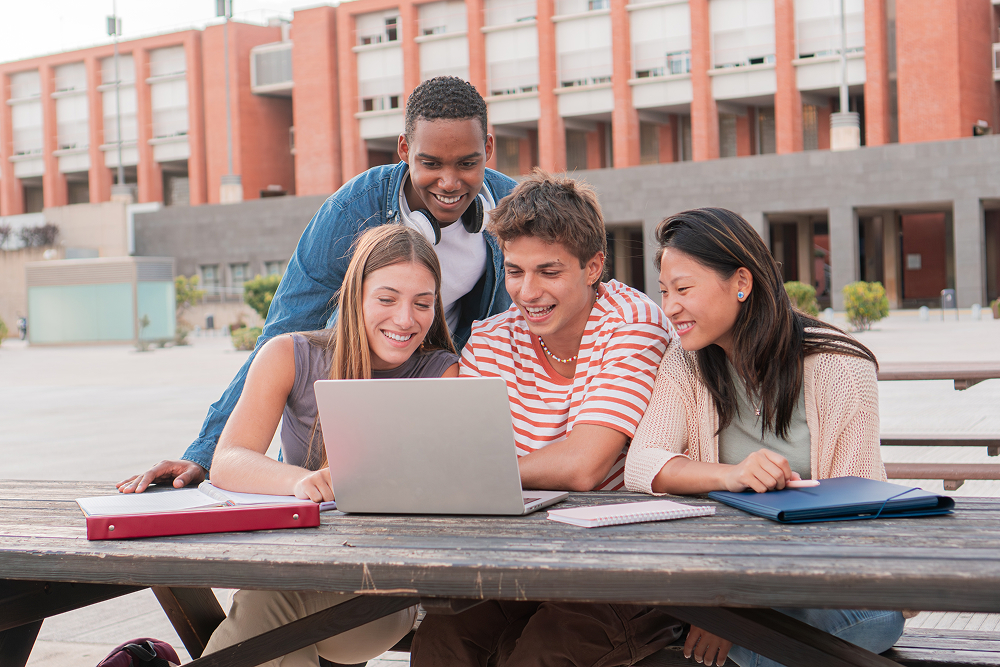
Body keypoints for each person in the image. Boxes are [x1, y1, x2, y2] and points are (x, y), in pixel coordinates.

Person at [118, 75, 516, 494]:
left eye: (467, 164)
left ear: (488, 149)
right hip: (344, 390)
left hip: (436, 382)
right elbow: (284, 328)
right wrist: (204, 453)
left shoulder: (511, 208)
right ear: (404, 150)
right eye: (431, 163)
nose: (450, 182)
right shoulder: (352, 210)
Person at [411, 170, 682, 667]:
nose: (528, 292)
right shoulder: (493, 338)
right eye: (515, 271)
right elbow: (461, 450)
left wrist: (478, 473)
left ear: (594, 265)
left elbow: (584, 466)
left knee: (537, 655)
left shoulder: (632, 325)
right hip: (517, 559)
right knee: (440, 641)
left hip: (619, 566)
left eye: (549, 272)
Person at [623, 207, 904, 667]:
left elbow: (856, 518)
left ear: (741, 283)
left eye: (684, 289)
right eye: (664, 291)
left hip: (836, 587)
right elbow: (642, 465)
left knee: (758, 648)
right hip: (725, 584)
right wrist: (732, 474)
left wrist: (737, 610)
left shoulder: (840, 367)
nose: (669, 306)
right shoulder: (686, 361)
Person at [201, 225, 460, 667]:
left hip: (383, 593)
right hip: (300, 566)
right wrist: (305, 481)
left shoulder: (441, 373)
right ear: (354, 296)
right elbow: (227, 460)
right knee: (275, 616)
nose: (405, 319)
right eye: (387, 299)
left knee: (268, 605)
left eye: (423, 303)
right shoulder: (289, 355)